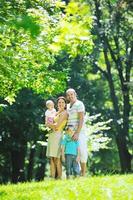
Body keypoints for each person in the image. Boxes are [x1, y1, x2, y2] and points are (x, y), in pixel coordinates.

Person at [66, 88, 88, 176]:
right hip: (69, 132)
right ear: (67, 96)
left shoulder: (79, 104)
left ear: (75, 94)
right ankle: (76, 174)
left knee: (82, 151)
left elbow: (81, 119)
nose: (70, 96)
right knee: (72, 153)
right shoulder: (67, 106)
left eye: (72, 94)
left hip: (80, 132)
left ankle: (83, 174)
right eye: (68, 95)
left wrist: (77, 133)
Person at [46, 96, 67, 179]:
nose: (61, 104)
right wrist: (50, 124)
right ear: (57, 104)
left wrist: (49, 124)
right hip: (51, 135)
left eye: (62, 102)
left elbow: (57, 126)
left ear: (65, 104)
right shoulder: (55, 112)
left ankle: (59, 178)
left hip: (58, 135)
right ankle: (53, 178)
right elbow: (48, 122)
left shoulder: (64, 113)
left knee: (57, 158)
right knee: (52, 158)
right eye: (59, 102)